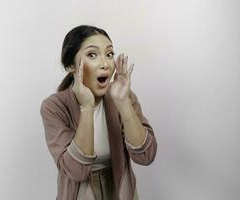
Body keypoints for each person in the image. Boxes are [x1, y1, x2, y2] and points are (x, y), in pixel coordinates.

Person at [40, 25, 157, 200]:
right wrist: (86, 108)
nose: (105, 64)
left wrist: (123, 103)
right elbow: (76, 171)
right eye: (92, 55)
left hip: (121, 190)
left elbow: (146, 156)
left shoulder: (123, 96)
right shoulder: (54, 107)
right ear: (71, 65)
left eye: (109, 54)